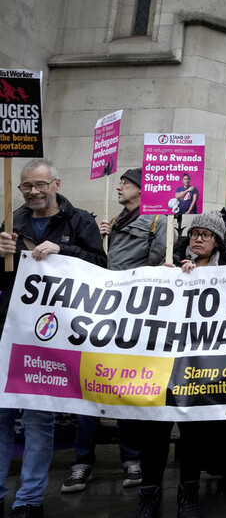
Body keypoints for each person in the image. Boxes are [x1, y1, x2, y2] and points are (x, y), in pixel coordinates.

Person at [0, 158, 107, 518]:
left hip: (52, 339)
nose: (33, 191)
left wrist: (66, 251)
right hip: (10, 332)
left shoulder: (79, 222)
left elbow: (101, 269)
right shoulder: (12, 221)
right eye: (26, 186)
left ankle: (28, 500)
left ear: (55, 184)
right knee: (1, 418)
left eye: (40, 185)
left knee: (37, 420)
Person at [61, 168, 165, 495]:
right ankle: (82, 463)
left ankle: (131, 459)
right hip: (101, 316)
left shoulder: (156, 222)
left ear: (142, 188)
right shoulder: (113, 223)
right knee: (91, 389)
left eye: (126, 182)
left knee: (127, 390)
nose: (118, 186)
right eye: (118, 181)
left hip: (131, 316)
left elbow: (157, 267)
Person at [131, 210, 226, 518]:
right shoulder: (168, 263)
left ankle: (188, 494)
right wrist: (171, 274)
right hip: (164, 361)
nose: (198, 239)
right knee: (155, 432)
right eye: (195, 233)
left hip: (201, 363)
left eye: (206, 235)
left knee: (194, 434)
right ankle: (149, 494)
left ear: (217, 242)